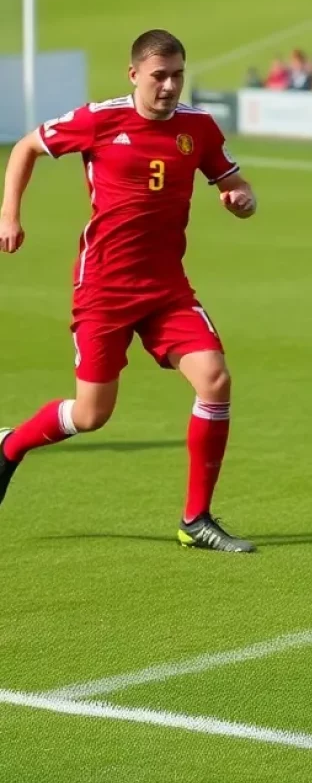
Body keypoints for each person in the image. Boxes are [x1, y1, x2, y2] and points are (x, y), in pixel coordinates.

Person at [0, 30, 257, 553]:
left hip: (167, 288)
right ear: (134, 73)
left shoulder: (198, 127)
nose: (169, 86)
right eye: (159, 75)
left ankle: (196, 518)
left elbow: (233, 180)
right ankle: (10, 444)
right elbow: (27, 146)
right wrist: (9, 214)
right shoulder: (100, 119)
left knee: (214, 379)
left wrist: (240, 197)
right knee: (92, 414)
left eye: (178, 75)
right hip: (104, 288)